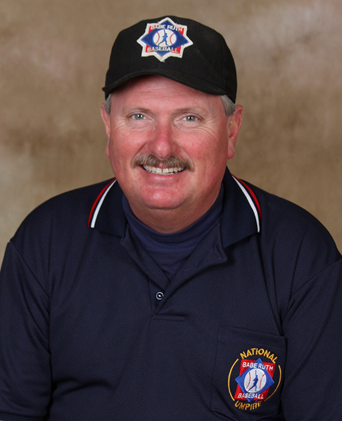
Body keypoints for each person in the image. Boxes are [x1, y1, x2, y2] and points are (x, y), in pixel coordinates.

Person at [0, 15, 341, 421]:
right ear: (108, 127)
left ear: (232, 130)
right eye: (139, 116)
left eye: (189, 118)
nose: (162, 147)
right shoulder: (43, 244)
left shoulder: (303, 257)